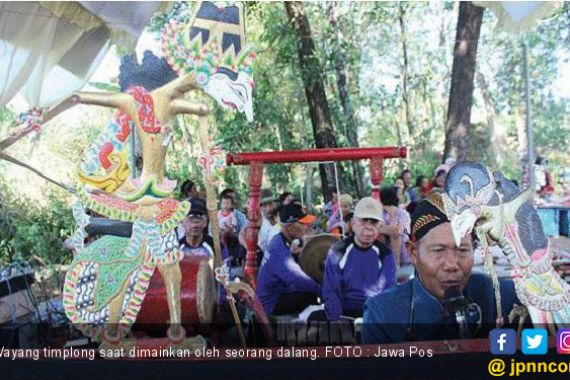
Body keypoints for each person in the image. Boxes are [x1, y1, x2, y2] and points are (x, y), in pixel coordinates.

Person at [361, 192, 519, 343]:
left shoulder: (503, 298)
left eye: (462, 250)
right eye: (438, 250)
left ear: (474, 248)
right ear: (413, 253)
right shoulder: (382, 316)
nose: (451, 264)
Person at [320, 197, 396, 321]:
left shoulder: (385, 254)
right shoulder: (338, 251)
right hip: (345, 312)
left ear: (379, 227)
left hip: (374, 313)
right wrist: (337, 321)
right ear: (353, 223)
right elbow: (331, 291)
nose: (369, 228)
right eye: (364, 221)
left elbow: (388, 292)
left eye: (374, 223)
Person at [256, 204, 321, 315]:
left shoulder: (279, 241)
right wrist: (323, 290)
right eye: (302, 224)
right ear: (290, 227)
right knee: (312, 295)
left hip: (277, 293)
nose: (306, 227)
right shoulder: (278, 249)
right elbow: (298, 279)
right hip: (271, 303)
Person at [378, 187, 411, 271]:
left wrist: (392, 216)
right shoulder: (380, 213)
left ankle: (396, 263)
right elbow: (378, 229)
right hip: (386, 247)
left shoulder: (403, 214)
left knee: (395, 235)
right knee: (383, 235)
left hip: (403, 250)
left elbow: (399, 232)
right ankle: (389, 263)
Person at [258, 189, 280, 253]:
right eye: (264, 205)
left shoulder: (280, 217)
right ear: (260, 207)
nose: (268, 208)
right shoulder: (258, 220)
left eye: (270, 204)